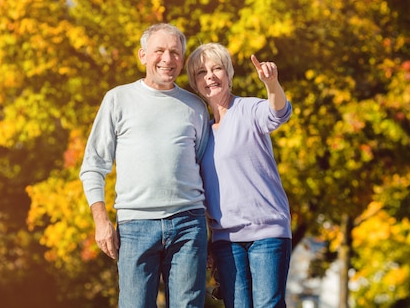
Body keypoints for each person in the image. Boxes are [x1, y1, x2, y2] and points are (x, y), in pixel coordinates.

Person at [79, 23, 210, 308]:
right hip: (135, 226)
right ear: (142, 55)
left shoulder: (195, 107)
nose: (168, 59)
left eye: (175, 52)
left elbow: (206, 169)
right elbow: (93, 166)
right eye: (159, 50)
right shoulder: (118, 99)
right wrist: (101, 221)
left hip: (189, 224)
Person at [186, 42, 293, 308]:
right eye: (201, 72)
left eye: (216, 68)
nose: (209, 76)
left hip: (267, 233)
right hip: (226, 241)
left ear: (229, 75)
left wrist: (272, 84)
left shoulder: (248, 110)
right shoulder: (202, 133)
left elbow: (277, 113)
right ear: (195, 83)